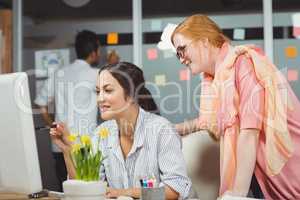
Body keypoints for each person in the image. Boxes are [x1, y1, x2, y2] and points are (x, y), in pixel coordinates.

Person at [171, 14, 300, 199]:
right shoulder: (215, 79)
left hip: (288, 169)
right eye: (177, 54)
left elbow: (249, 131)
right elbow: (207, 122)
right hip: (258, 172)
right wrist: (169, 128)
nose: (181, 59)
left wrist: (237, 194)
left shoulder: (243, 63)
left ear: (204, 41)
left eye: (182, 49)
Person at [49, 62, 192, 199]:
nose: (100, 98)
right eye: (98, 91)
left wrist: (124, 192)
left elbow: (174, 190)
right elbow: (86, 188)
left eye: (108, 90)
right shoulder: (101, 133)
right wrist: (67, 150)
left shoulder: (162, 130)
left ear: (131, 95)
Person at [34, 30, 101, 191]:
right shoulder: (96, 74)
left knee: (65, 190)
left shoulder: (59, 73)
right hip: (85, 144)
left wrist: (53, 125)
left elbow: (41, 104)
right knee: (86, 191)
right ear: (93, 53)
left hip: (60, 145)